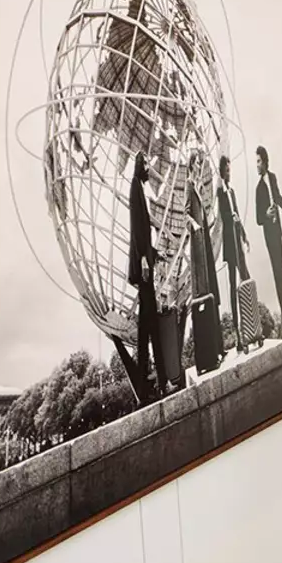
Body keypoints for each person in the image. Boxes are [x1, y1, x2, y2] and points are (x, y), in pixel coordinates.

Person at [126, 152, 162, 401]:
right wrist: (143, 260)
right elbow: (137, 228)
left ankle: (146, 384)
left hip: (145, 262)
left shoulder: (138, 187)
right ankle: (151, 381)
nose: (150, 170)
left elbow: (144, 232)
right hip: (143, 267)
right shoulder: (134, 187)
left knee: (146, 328)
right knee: (149, 328)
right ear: (140, 167)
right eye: (147, 165)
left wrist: (155, 255)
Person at [185, 155, 224, 374]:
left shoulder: (197, 186)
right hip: (197, 243)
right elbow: (185, 213)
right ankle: (209, 353)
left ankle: (217, 348)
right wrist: (195, 226)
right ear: (192, 165)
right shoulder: (188, 185)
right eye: (198, 164)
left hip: (204, 241)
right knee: (203, 292)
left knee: (210, 292)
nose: (200, 167)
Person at [253, 145, 282, 336]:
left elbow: (277, 196)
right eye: (256, 162)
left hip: (278, 232)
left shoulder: (273, 178)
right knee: (277, 274)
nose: (257, 165)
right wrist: (266, 215)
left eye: (259, 161)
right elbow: (258, 219)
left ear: (265, 161)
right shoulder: (258, 189)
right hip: (269, 235)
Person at [216, 155, 251, 351]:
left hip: (238, 242)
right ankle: (239, 334)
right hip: (230, 246)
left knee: (246, 279)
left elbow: (237, 213)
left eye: (230, 170)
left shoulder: (232, 192)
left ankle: (252, 325)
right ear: (222, 172)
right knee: (232, 286)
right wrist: (233, 219)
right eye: (227, 170)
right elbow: (225, 216)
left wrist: (244, 236)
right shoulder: (220, 193)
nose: (229, 173)